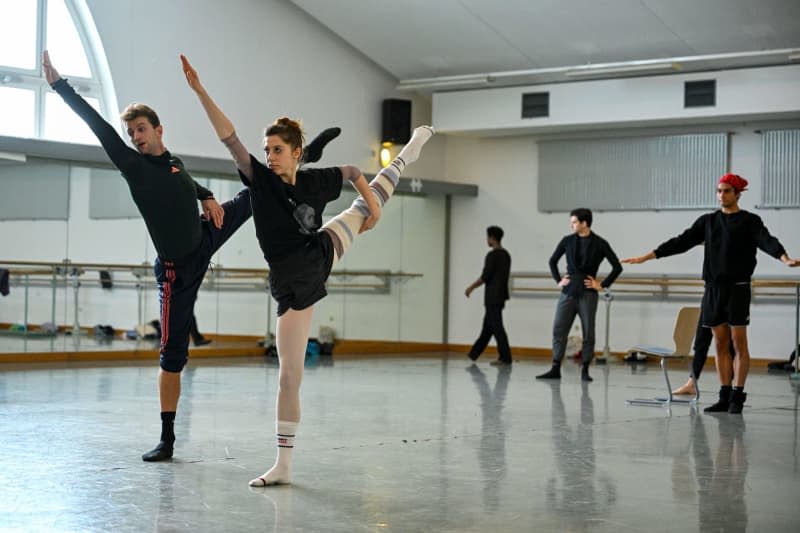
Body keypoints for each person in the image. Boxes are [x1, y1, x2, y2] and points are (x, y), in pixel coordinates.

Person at [181, 54, 434, 486]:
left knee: (287, 378)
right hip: (292, 273)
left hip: (310, 267)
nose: (269, 156)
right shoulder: (260, 181)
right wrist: (201, 91)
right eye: (266, 151)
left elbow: (355, 172)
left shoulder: (315, 180)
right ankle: (284, 463)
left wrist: (373, 209)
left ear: (297, 153)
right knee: (290, 377)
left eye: (277, 150)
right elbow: (230, 138)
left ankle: (408, 153)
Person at [42, 50, 259, 462]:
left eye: (141, 130)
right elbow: (97, 125)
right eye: (132, 134)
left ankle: (296, 171)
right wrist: (59, 85)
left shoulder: (174, 161)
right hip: (176, 272)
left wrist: (209, 195)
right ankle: (168, 439)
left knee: (254, 193)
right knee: (172, 357)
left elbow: (186, 182)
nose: (136, 138)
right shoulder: (133, 166)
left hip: (204, 237)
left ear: (159, 129)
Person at [622, 173, 799, 413]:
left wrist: (784, 257)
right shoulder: (708, 222)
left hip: (738, 289)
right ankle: (724, 395)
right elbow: (681, 241)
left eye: (726, 191)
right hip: (713, 289)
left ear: (737, 194)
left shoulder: (749, 221)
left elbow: (766, 240)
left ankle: (738, 396)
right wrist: (649, 256)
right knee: (720, 343)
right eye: (719, 191)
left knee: (738, 343)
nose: (721, 195)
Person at [537, 208, 622, 382]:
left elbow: (617, 266)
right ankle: (555, 367)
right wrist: (558, 280)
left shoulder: (599, 243)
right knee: (559, 328)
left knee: (588, 331)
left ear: (584, 223)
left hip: (588, 293)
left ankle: (585, 369)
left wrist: (601, 285)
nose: (571, 225)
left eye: (574, 222)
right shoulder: (567, 241)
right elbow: (552, 261)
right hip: (568, 291)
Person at [465, 226, 512, 366]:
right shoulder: (506, 255)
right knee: (488, 327)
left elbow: (485, 277)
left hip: (492, 296)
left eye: (488, 237)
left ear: (492, 238)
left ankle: (505, 358)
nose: (487, 240)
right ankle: (473, 354)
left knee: (497, 327)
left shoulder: (492, 255)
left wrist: (471, 287)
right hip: (501, 296)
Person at [672, 314, 736, 396]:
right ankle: (691, 383)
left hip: (726, 308)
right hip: (709, 305)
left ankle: (728, 386)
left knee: (727, 346)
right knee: (701, 345)